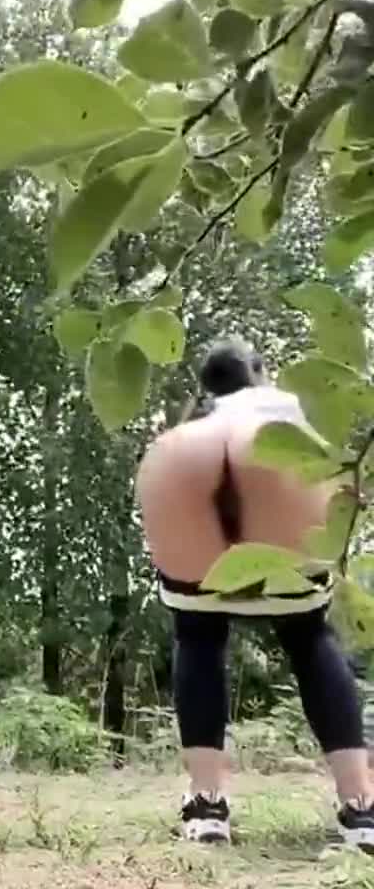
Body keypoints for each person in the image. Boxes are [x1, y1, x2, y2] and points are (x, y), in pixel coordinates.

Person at [135, 338, 374, 850]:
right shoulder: (290, 407)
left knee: (197, 637)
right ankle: (360, 806)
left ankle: (206, 805)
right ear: (260, 372)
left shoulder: (197, 420)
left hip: (182, 465)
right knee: (309, 638)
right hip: (277, 475)